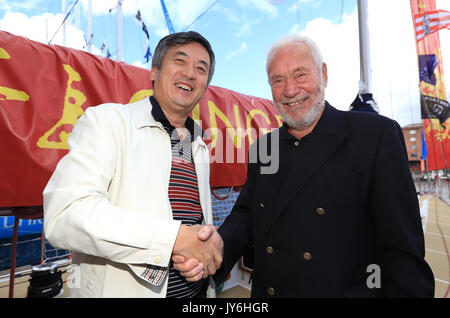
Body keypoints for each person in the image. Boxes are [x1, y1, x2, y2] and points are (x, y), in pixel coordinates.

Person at [174, 34, 435, 297]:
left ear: (323, 74)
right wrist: (217, 246)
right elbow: (247, 214)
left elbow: (403, 253)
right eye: (278, 80)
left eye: (300, 75)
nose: (290, 90)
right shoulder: (265, 147)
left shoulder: (374, 136)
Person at [43, 31, 223, 298]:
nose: (190, 73)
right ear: (154, 71)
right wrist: (174, 238)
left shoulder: (199, 145)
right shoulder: (107, 122)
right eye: (180, 61)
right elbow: (64, 215)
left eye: (201, 68)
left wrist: (210, 240)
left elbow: (193, 221)